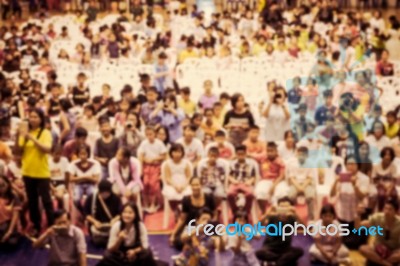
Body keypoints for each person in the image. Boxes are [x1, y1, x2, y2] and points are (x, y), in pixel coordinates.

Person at [16, 108, 54, 236]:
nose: (32, 119)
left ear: (41, 119)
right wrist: (19, 135)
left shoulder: (45, 133)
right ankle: (36, 225)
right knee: (32, 201)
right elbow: (19, 150)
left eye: (35, 117)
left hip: (42, 173)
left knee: (46, 200)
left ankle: (52, 225)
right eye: (30, 117)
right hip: (27, 172)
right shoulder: (25, 133)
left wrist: (31, 138)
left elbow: (47, 149)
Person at [170, 177, 217, 250]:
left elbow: (215, 216)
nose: (195, 187)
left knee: (216, 241)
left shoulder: (209, 197)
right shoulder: (186, 199)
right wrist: (173, 234)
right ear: (190, 186)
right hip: (191, 228)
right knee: (178, 242)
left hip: (206, 226)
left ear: (201, 185)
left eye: (197, 185)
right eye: (193, 185)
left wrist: (210, 228)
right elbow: (182, 219)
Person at [256, 197, 304, 266]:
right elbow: (258, 224)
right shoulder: (272, 217)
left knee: (300, 251)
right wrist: (268, 212)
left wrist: (296, 213)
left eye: (286, 207)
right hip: (270, 248)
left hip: (285, 248)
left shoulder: (291, 218)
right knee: (259, 253)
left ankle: (276, 262)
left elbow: (304, 227)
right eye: (281, 207)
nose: (283, 210)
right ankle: (283, 261)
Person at [359, 199, 400, 266]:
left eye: (390, 209)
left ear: (396, 212)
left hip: (392, 251)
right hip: (377, 249)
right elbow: (358, 226)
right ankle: (386, 264)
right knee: (362, 248)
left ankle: (379, 261)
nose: (387, 211)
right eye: (385, 208)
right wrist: (358, 215)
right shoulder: (378, 217)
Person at [137, 126, 167, 213]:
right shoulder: (144, 143)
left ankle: (153, 204)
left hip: (156, 166)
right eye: (147, 135)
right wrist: (143, 164)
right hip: (146, 166)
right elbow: (141, 155)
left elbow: (164, 156)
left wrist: (155, 159)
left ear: (155, 134)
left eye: (151, 134)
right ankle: (146, 204)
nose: (149, 136)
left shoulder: (159, 143)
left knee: (154, 184)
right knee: (145, 183)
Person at [84, 180, 122, 247]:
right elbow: (86, 213)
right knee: (97, 242)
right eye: (103, 192)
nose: (105, 194)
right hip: (97, 225)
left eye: (107, 192)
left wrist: (114, 221)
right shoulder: (92, 198)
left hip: (111, 225)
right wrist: (94, 222)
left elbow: (120, 213)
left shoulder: (116, 198)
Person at [68, 145, 101, 215]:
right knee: (76, 199)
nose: (83, 156)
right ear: (78, 154)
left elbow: (96, 179)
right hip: (78, 185)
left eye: (85, 154)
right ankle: (84, 213)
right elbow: (71, 179)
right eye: (80, 154)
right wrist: (86, 177)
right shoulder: (74, 164)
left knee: (93, 198)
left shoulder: (94, 164)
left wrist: (80, 178)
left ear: (88, 154)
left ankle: (91, 213)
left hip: (91, 185)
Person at [286, 146, 317, 220]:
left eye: (303, 155)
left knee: (310, 196)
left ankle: (311, 218)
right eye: (299, 154)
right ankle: (291, 217)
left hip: (307, 184)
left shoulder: (310, 164)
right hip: (295, 183)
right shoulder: (292, 164)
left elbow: (309, 178)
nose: (301, 156)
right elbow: (292, 178)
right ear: (297, 154)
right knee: (290, 196)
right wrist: (299, 187)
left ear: (307, 156)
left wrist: (303, 187)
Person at [227, 145, 258, 216]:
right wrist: (233, 180)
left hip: (246, 183)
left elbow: (254, 176)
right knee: (230, 194)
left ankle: (247, 212)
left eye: (242, 154)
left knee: (250, 194)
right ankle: (235, 211)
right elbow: (229, 175)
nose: (240, 156)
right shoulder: (232, 163)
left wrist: (250, 181)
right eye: (238, 154)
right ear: (236, 154)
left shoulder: (251, 163)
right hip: (236, 183)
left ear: (245, 154)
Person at [255, 142, 285, 212]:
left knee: (281, 193)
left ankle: (278, 214)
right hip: (265, 180)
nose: (270, 153)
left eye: (272, 151)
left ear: (276, 151)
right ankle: (264, 213)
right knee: (259, 193)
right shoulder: (263, 157)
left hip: (278, 181)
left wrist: (274, 186)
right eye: (268, 151)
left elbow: (282, 176)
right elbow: (250, 155)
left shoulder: (280, 161)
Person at [0, 175, 21, 250]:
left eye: (3, 185)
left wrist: (9, 232)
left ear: (8, 184)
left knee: (12, 243)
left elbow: (15, 217)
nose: (1, 188)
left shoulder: (13, 196)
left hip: (9, 225)